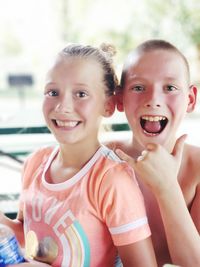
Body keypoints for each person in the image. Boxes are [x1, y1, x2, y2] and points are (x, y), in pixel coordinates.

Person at [1, 43, 157, 266]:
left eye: (81, 94)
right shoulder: (35, 163)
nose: (63, 106)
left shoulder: (112, 180)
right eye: (53, 92)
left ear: (109, 105)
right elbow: (31, 236)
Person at [111, 39, 200, 267]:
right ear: (120, 99)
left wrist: (167, 186)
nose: (153, 100)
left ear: (190, 99)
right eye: (139, 87)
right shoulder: (100, 159)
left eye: (170, 88)